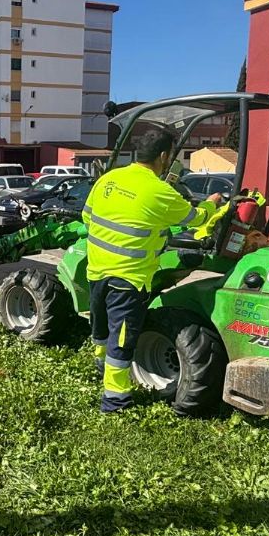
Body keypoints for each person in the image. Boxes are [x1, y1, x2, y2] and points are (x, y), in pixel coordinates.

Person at [83, 128, 223, 415]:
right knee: (121, 340)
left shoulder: (108, 179)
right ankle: (114, 400)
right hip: (128, 279)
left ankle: (100, 366)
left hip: (96, 271)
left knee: (101, 328)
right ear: (163, 156)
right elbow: (195, 219)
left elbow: (87, 217)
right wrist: (212, 204)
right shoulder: (160, 192)